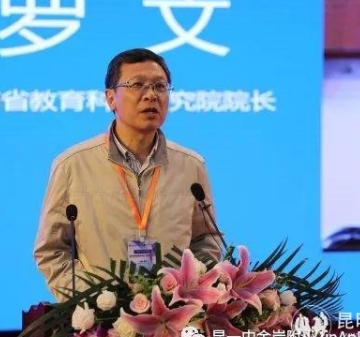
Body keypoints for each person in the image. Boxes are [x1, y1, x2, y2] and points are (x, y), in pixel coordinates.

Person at [33, 48, 224, 302]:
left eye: (160, 86)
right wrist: (94, 301)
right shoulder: (72, 165)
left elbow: (207, 239)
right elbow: (52, 250)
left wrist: (184, 292)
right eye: (137, 85)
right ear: (111, 98)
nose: (151, 95)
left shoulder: (191, 165)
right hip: (100, 317)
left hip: (174, 313)